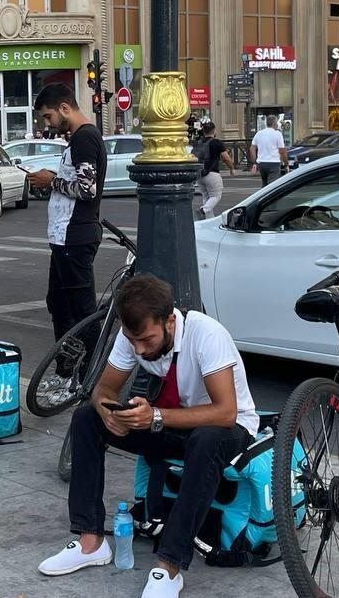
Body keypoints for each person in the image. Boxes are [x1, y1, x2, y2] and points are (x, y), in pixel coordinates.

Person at [38, 274, 259, 598]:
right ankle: (90, 542)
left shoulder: (206, 334)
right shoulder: (133, 336)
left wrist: (155, 416)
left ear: (170, 321)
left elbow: (225, 412)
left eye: (147, 340)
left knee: (206, 439)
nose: (140, 349)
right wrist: (108, 413)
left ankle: (169, 567)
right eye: (133, 340)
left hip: (230, 430)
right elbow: (103, 390)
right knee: (86, 418)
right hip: (175, 424)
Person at [26, 84, 107, 369]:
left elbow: (87, 189)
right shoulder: (80, 138)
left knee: (80, 308)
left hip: (75, 235)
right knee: (59, 303)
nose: (48, 124)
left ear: (64, 108)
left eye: (48, 117)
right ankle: (67, 365)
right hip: (65, 237)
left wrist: (51, 181)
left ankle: (90, 373)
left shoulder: (84, 138)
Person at [192, 122, 234, 219]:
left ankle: (208, 219)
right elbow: (226, 158)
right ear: (214, 131)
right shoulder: (216, 142)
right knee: (216, 196)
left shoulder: (197, 143)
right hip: (212, 173)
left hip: (199, 174)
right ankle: (204, 210)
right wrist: (231, 168)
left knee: (206, 197)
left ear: (203, 131)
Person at [249, 115, 287, 186]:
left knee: (265, 184)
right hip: (274, 163)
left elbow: (252, 148)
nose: (277, 125)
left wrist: (254, 162)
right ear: (274, 123)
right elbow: (282, 151)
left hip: (262, 163)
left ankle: (263, 196)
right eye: (277, 123)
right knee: (272, 186)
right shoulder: (278, 134)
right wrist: (286, 164)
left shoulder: (259, 133)